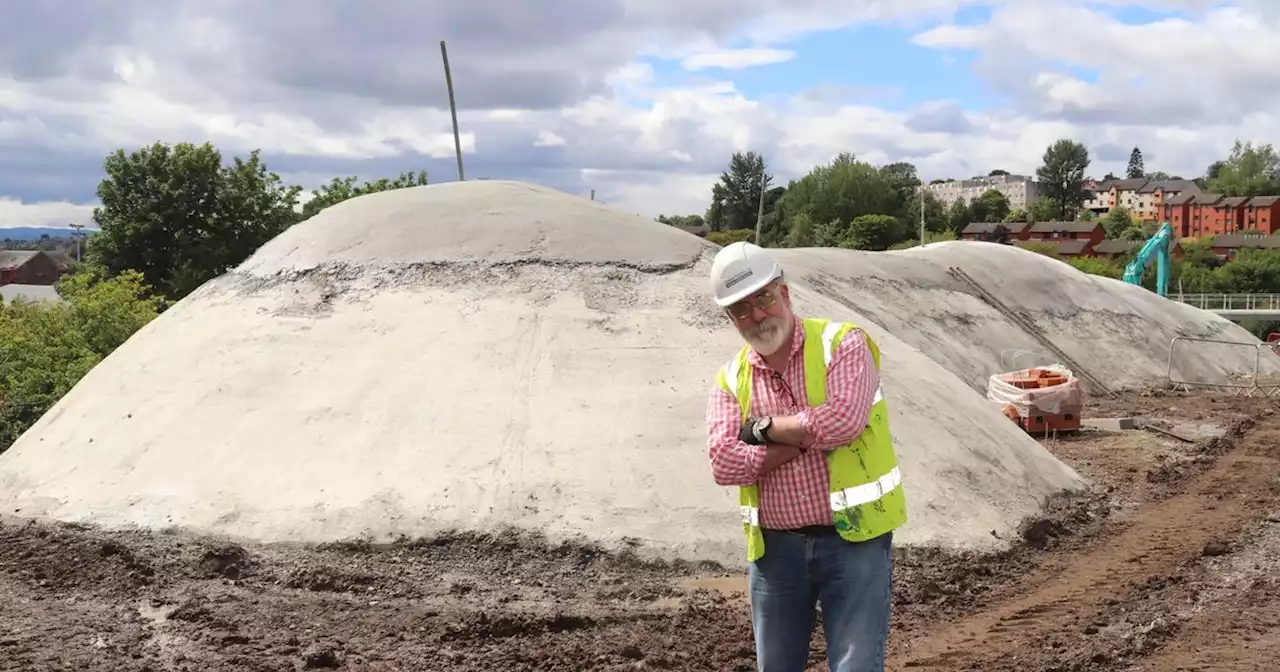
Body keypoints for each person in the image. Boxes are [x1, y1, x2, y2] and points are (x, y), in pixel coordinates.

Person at [703, 241, 908, 672]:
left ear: (785, 293)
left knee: (856, 667)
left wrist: (762, 429)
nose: (757, 315)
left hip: (854, 542)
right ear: (731, 318)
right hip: (776, 554)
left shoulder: (844, 344)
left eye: (764, 298)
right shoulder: (730, 377)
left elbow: (844, 422)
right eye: (742, 309)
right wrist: (804, 435)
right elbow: (723, 461)